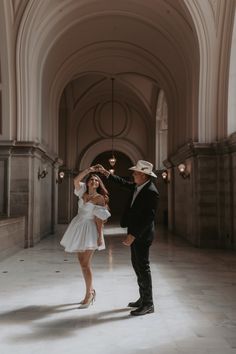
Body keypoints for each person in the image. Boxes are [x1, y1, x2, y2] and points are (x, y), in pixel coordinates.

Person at [97, 160, 159, 316]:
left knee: (143, 267)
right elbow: (122, 182)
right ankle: (143, 298)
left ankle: (148, 304)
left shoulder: (151, 192)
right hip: (135, 231)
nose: (133, 174)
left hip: (142, 235)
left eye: (136, 173)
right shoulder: (137, 186)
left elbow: (148, 218)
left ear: (144, 176)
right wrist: (106, 173)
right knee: (136, 265)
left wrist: (133, 235)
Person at [60, 166, 111, 309]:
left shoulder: (99, 198)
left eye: (97, 180)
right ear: (88, 182)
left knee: (86, 264)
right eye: (92, 180)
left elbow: (99, 218)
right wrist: (89, 170)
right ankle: (91, 290)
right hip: (77, 227)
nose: (94, 181)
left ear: (99, 184)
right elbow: (76, 180)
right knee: (81, 262)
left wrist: (100, 236)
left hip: (90, 229)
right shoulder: (82, 191)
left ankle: (88, 294)